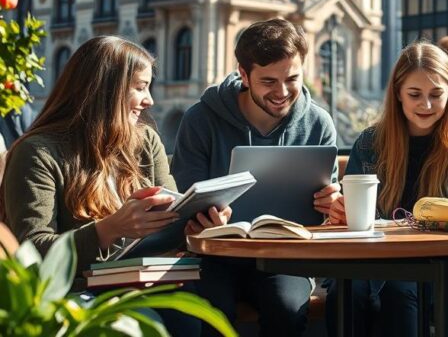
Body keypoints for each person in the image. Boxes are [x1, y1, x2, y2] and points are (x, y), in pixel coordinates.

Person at [0, 36, 210, 335]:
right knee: (145, 324)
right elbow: (33, 252)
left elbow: (171, 214)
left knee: (200, 310)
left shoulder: (145, 141)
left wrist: (197, 221)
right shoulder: (38, 152)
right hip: (75, 291)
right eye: (139, 87)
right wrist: (109, 229)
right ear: (105, 90)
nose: (149, 100)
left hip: (143, 280)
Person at [172, 18, 340, 336]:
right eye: (268, 81)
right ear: (244, 75)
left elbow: (325, 213)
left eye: (292, 78)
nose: (282, 92)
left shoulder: (318, 123)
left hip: (285, 257)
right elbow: (185, 202)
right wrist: (204, 219)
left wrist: (332, 204)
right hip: (215, 256)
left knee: (288, 310)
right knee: (211, 316)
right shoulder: (200, 120)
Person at [326, 42, 448, 337]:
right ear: (397, 94)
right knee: (346, 291)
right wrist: (340, 212)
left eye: (436, 95)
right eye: (415, 95)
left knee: (400, 289)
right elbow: (350, 218)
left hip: (444, 267)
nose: (426, 105)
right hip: (373, 261)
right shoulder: (370, 143)